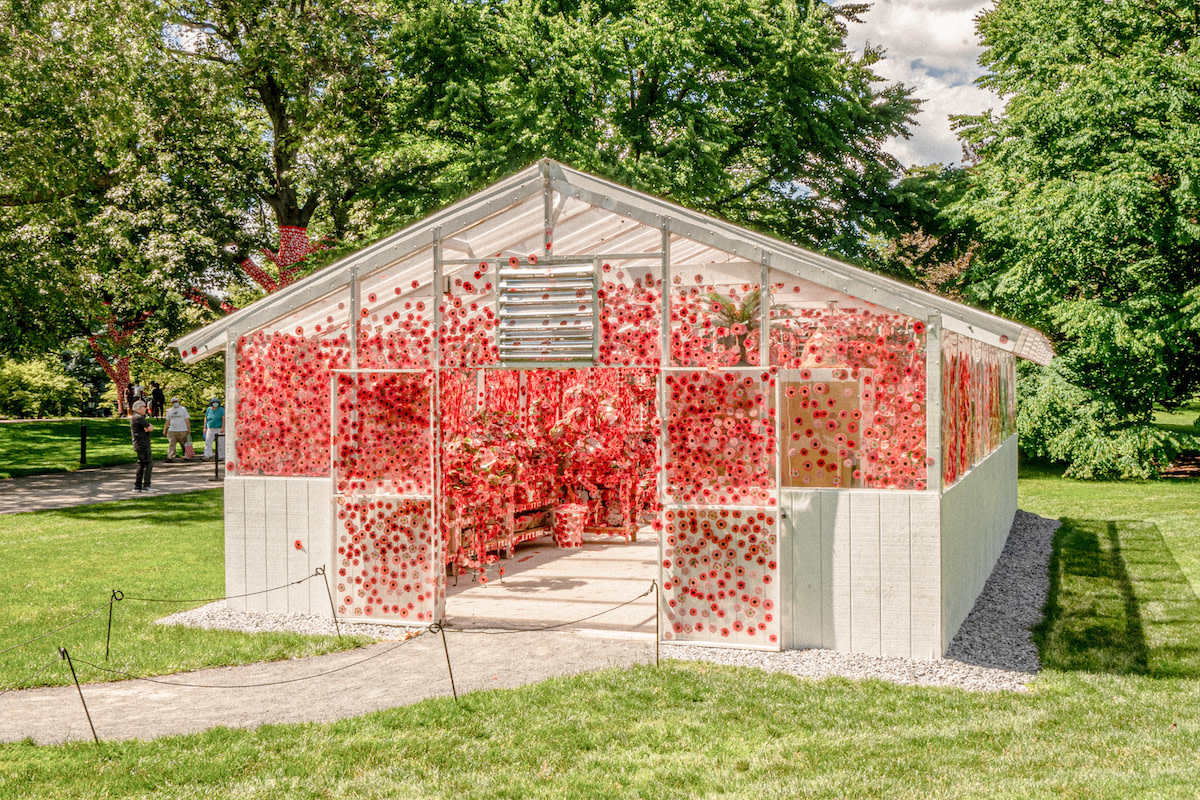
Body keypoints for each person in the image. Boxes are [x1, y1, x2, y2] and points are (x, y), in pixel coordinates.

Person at [130, 399, 154, 491]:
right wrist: (148, 428)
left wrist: (147, 428)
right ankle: (146, 485)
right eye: (144, 407)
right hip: (142, 443)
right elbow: (150, 428)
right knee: (148, 464)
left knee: (141, 464)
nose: (146, 409)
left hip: (138, 443)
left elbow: (148, 428)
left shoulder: (135, 417)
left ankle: (138, 485)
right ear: (139, 408)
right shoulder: (139, 417)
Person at [163, 396, 192, 461]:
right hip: (172, 430)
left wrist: (188, 428)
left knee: (184, 444)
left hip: (182, 430)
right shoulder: (170, 411)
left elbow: (187, 419)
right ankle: (170, 457)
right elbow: (167, 421)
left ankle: (186, 455)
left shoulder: (183, 409)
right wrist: (165, 429)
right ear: (171, 403)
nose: (175, 403)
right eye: (173, 402)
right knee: (172, 444)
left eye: (176, 401)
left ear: (178, 402)